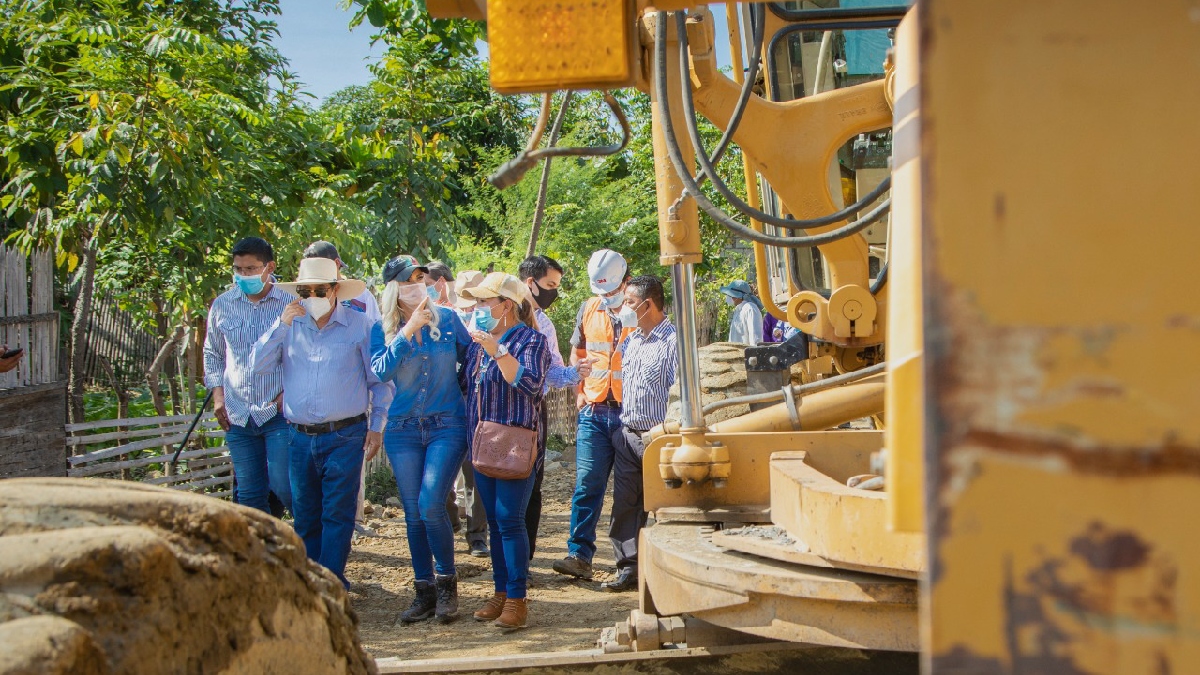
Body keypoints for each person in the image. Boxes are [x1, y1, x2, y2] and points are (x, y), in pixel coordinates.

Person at [251, 257, 393, 589]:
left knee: (338, 513)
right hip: (299, 436)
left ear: (334, 290)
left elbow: (380, 381)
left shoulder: (360, 325)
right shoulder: (287, 325)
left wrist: (377, 427)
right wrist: (280, 326)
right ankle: (310, 582)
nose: (311, 295)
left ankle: (331, 582)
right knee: (305, 514)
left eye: (318, 289)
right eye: (304, 290)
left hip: (346, 433)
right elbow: (257, 366)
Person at [371, 255, 471, 624]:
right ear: (395, 287)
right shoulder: (380, 329)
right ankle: (424, 592)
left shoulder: (448, 319)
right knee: (414, 514)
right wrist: (407, 330)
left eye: (421, 277)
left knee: (431, 504)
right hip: (403, 430)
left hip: (447, 423)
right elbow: (381, 371)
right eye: (410, 279)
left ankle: (448, 585)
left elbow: (471, 360)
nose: (419, 283)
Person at [459, 273, 551, 630]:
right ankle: (500, 592)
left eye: (485, 302)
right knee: (496, 523)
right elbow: (467, 386)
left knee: (510, 521)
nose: (478, 309)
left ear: (506, 306)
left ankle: (517, 598)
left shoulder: (532, 341)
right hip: (482, 445)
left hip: (516, 446)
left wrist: (496, 350)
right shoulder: (476, 346)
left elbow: (528, 383)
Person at [552, 249, 635, 581]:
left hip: (632, 415)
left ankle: (628, 564)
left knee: (629, 493)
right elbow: (579, 351)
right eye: (604, 292)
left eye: (613, 291)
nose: (608, 297)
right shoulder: (589, 307)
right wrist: (580, 394)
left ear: (626, 280)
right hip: (595, 411)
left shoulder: (641, 309)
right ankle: (579, 555)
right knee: (587, 485)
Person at [202, 237, 294, 516]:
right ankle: (259, 555)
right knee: (249, 492)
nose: (244, 275)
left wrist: (291, 390)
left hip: (278, 412)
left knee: (284, 485)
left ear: (270, 267)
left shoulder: (290, 303)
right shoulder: (223, 305)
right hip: (237, 412)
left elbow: (306, 355)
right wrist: (218, 396)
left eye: (251, 269)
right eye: (239, 269)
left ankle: (310, 543)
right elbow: (212, 354)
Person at [303, 240, 381, 535]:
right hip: (312, 393)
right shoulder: (298, 300)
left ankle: (354, 517)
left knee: (351, 460)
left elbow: (374, 336)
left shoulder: (361, 296)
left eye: (336, 265)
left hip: (354, 386)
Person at [518, 254, 593, 558]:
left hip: (533, 410)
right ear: (529, 283)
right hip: (494, 413)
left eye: (557, 286)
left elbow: (554, 372)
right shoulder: (492, 316)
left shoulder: (544, 324)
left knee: (531, 486)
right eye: (549, 285)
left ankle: (524, 560)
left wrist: (577, 372)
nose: (553, 293)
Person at [604, 276, 677, 592]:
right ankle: (629, 568)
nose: (623, 309)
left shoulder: (674, 343)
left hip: (661, 439)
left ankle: (668, 569)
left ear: (649, 305)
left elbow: (681, 394)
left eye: (630, 302)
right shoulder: (632, 341)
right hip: (628, 435)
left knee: (667, 505)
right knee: (625, 504)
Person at [304, 240, 381, 323]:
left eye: (319, 265)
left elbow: (375, 327)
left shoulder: (361, 296)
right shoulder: (306, 297)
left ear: (336, 263)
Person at [719, 279, 764, 345]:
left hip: (746, 354)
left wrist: (754, 354)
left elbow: (756, 339)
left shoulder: (750, 308)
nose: (727, 297)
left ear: (738, 296)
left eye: (729, 294)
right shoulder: (738, 311)